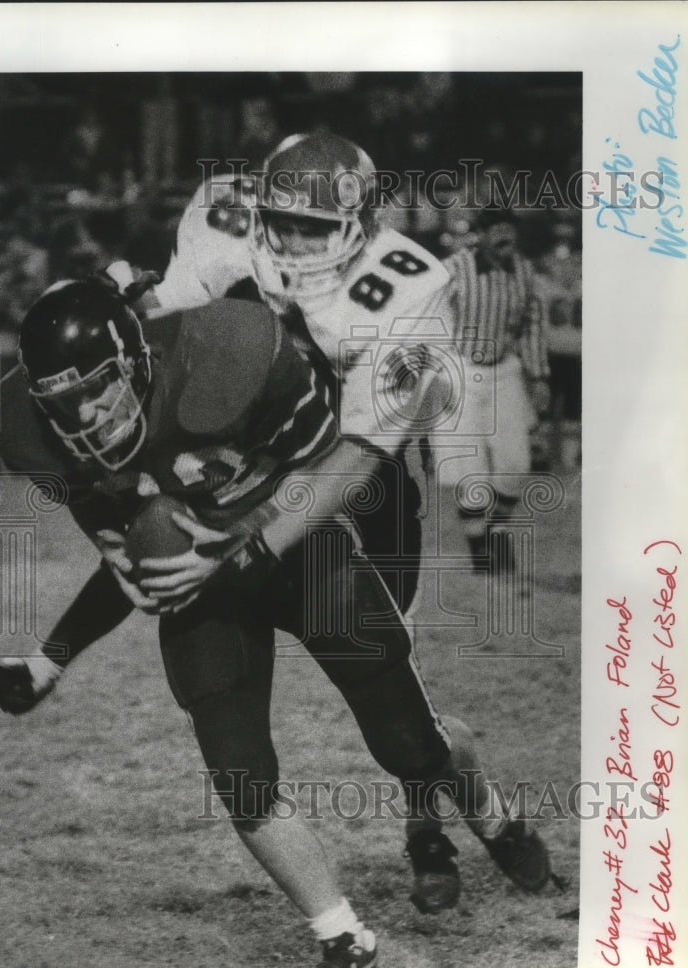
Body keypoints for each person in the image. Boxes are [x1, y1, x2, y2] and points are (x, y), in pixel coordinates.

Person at [0, 274, 553, 968]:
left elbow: (337, 478)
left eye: (95, 387)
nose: (82, 415)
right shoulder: (31, 431)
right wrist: (47, 662)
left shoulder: (231, 352)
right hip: (209, 588)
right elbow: (136, 563)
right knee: (240, 775)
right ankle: (344, 939)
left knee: (409, 749)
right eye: (62, 401)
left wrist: (239, 544)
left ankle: (492, 814)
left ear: (137, 361)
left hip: (301, 548)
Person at [149, 131, 459, 617]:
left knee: (385, 502)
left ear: (363, 224)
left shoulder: (412, 287)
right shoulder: (222, 219)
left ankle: (394, 627)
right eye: (284, 223)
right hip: (260, 405)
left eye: (314, 228)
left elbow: (360, 455)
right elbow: (169, 332)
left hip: (349, 419)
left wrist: (257, 542)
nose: (294, 244)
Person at [436, 208, 552, 574]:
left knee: (516, 462)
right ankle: (480, 550)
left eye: (510, 231)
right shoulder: (452, 269)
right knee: (467, 469)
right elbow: (429, 320)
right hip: (462, 369)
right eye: (498, 231)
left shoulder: (524, 270)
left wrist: (539, 376)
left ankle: (497, 530)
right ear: (481, 234)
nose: (506, 238)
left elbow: (532, 324)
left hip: (504, 369)